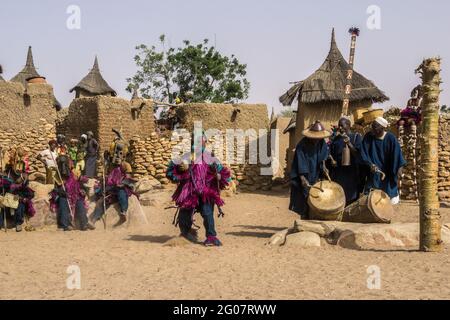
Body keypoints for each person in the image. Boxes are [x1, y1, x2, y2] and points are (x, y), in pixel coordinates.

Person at [166, 132, 231, 246]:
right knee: (184, 214)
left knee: (207, 213)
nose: (199, 143)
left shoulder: (211, 158)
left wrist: (219, 176)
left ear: (205, 142)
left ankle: (211, 237)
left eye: (201, 141)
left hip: (206, 191)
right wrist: (180, 170)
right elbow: (170, 172)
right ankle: (185, 234)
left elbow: (224, 174)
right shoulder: (185, 157)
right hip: (189, 192)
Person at [361, 117, 407, 205]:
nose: (372, 129)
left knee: (389, 200)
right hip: (373, 173)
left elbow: (398, 156)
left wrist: (399, 169)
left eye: (375, 127)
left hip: (388, 173)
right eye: (372, 126)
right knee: (371, 199)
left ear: (382, 128)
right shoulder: (368, 137)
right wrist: (370, 164)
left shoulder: (391, 138)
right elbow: (364, 154)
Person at [289, 121, 330, 219]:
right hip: (303, 176)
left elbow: (323, 156)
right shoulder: (302, 145)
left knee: (316, 198)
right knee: (304, 200)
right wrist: (303, 179)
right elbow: (300, 163)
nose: (316, 140)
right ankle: (304, 219)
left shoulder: (322, 143)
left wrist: (324, 167)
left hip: (316, 174)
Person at [49, 155, 94, 231]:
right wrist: (61, 192)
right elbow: (56, 189)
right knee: (63, 202)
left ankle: (84, 223)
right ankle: (65, 225)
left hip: (75, 193)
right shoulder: (57, 176)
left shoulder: (74, 172)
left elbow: (82, 180)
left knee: (80, 203)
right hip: (64, 195)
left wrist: (83, 186)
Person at [329, 117, 364, 205]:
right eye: (339, 125)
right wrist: (332, 161)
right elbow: (330, 154)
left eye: (342, 125)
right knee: (338, 198)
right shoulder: (336, 139)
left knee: (351, 200)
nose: (340, 128)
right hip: (338, 175)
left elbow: (358, 155)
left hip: (351, 175)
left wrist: (349, 143)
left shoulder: (356, 137)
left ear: (348, 125)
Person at [90, 161, 136, 228]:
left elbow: (129, 182)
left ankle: (123, 212)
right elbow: (109, 182)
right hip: (112, 190)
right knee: (101, 201)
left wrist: (123, 184)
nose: (127, 173)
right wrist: (110, 188)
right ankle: (93, 220)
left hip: (122, 190)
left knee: (122, 194)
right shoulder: (115, 171)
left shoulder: (126, 169)